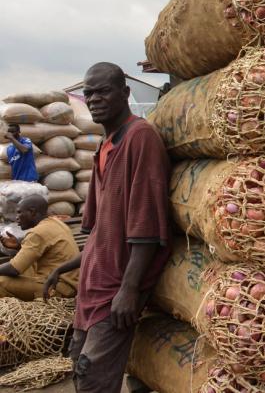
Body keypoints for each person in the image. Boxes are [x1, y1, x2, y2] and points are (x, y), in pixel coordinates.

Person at [43, 62, 171, 393]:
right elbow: (102, 229)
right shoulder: (103, 146)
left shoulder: (140, 139)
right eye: (89, 93)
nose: (95, 98)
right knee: (80, 364)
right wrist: (69, 266)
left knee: (93, 375)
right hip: (94, 283)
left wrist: (129, 290)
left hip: (117, 285)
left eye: (104, 91)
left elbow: (147, 223)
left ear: (125, 93)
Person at [0, 194, 79, 300]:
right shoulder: (56, 222)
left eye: (19, 212)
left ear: (32, 212)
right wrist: (19, 246)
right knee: (24, 265)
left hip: (56, 288)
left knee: (2, 281)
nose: (16, 218)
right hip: (70, 284)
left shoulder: (37, 233)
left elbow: (14, 269)